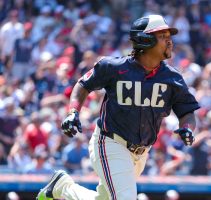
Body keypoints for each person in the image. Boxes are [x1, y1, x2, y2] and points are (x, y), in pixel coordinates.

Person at [37, 14, 200, 200]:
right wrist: (73, 112)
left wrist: (187, 128)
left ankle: (61, 186)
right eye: (163, 37)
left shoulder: (172, 77)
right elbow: (83, 85)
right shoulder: (114, 67)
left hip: (141, 152)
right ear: (145, 40)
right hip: (110, 142)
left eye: (169, 37)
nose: (169, 42)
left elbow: (187, 111)